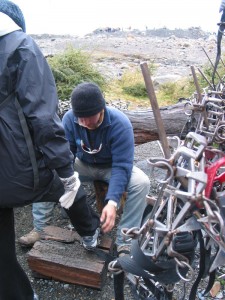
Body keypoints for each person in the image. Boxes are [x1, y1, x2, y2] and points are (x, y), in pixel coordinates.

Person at [0, 2, 99, 300]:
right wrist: (66, 172)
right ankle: (90, 232)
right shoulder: (20, 47)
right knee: (63, 185)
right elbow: (44, 118)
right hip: (14, 166)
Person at [20, 82, 150, 255]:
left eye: (90, 117)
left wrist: (112, 202)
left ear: (102, 109)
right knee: (48, 171)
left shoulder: (120, 124)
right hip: (82, 164)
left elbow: (122, 166)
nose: (85, 122)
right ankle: (40, 227)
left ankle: (125, 241)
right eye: (81, 118)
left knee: (141, 182)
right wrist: (67, 181)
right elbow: (66, 154)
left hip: (111, 167)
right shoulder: (69, 119)